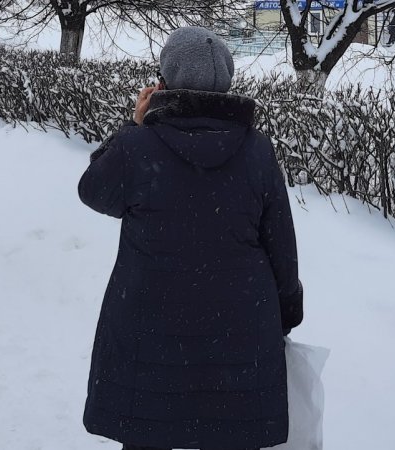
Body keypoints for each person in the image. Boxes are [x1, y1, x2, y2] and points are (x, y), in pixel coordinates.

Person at [78, 26, 303, 450]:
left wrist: (131, 126)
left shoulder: (139, 146)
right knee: (231, 433)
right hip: (241, 327)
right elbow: (281, 244)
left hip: (151, 326)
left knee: (150, 430)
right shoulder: (257, 150)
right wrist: (287, 311)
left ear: (164, 82)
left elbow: (94, 191)